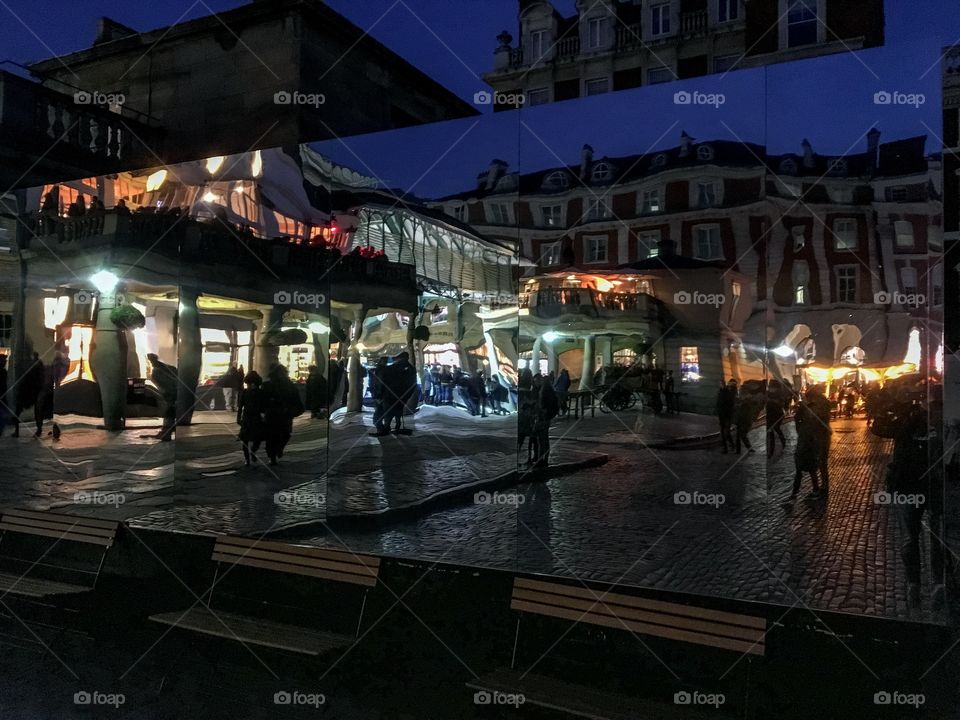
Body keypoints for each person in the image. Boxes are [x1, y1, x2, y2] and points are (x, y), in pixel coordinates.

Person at [262, 364, 303, 465]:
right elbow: (296, 400)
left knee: (272, 436)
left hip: (273, 414)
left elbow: (263, 400)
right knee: (285, 434)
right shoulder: (289, 385)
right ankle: (278, 450)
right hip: (285, 413)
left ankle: (273, 455)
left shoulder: (268, 385)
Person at [790, 393, 823, 499]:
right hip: (806, 445)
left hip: (807, 445)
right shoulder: (809, 413)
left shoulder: (808, 416)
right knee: (806, 470)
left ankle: (799, 491)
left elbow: (798, 422)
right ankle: (797, 491)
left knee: (807, 470)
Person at [377, 352, 417, 435]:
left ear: (399, 358)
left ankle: (386, 428)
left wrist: (380, 394)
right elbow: (413, 384)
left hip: (389, 396)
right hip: (402, 396)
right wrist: (407, 396)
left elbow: (382, 382)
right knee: (398, 412)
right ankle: (397, 428)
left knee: (388, 413)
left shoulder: (390, 368)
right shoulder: (411, 369)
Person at [12, 352, 45, 438]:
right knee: (36, 411)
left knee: (19, 410)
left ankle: (17, 431)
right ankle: (38, 430)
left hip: (29, 390)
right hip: (31, 390)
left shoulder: (30, 364)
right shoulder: (36, 364)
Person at [236, 371, 265, 465]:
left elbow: (240, 406)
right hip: (255, 417)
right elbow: (263, 407)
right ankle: (252, 453)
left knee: (245, 439)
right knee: (257, 438)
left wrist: (238, 418)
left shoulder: (245, 392)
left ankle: (247, 459)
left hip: (247, 417)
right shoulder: (260, 392)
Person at [147, 353, 178, 441]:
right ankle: (167, 432)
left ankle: (166, 433)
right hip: (174, 393)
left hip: (171, 394)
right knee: (170, 412)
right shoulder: (167, 367)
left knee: (169, 412)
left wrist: (166, 394)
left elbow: (164, 386)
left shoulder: (157, 371)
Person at [533, 375, 560, 468]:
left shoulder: (545, 391)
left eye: (536, 381)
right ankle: (544, 459)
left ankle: (541, 460)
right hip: (546, 417)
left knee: (542, 440)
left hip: (543, 418)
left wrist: (541, 413)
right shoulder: (548, 389)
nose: (535, 383)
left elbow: (543, 405)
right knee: (544, 439)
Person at [517, 369, 538, 466]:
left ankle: (518, 458)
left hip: (522, 417)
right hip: (530, 417)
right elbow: (532, 402)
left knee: (521, 438)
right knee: (532, 439)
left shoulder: (520, 388)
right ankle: (532, 457)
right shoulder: (531, 389)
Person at [766, 379, 788, 457]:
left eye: (772, 386)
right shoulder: (767, 393)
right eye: (770, 386)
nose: (770, 388)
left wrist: (771, 401)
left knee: (776, 429)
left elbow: (781, 403)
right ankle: (770, 452)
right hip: (769, 415)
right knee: (771, 432)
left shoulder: (779, 394)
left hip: (777, 415)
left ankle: (782, 443)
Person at [715, 379, 737, 454]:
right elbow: (719, 403)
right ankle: (728, 447)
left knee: (726, 433)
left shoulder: (727, 393)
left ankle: (727, 448)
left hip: (727, 415)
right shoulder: (721, 392)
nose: (720, 385)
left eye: (721, 384)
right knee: (724, 433)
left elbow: (729, 404)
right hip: (723, 415)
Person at [368, 357, 389, 432]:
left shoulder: (378, 370)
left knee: (379, 414)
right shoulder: (381, 370)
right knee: (381, 413)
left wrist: (377, 395)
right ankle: (383, 429)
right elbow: (378, 383)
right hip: (381, 395)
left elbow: (377, 383)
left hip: (380, 395)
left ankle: (382, 429)